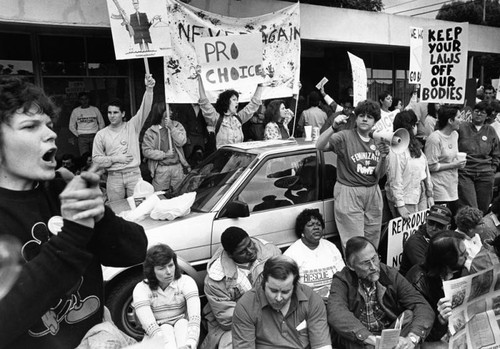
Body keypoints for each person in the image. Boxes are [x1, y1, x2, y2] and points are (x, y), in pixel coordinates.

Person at [0, 77, 148, 349]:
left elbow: (135, 251)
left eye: (48, 124)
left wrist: (99, 215)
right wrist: (73, 236)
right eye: (31, 126)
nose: (51, 133)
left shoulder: (61, 188)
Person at [327, 237, 434, 349]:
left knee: (410, 316)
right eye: (366, 263)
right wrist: (371, 339)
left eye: (374, 258)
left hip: (387, 334)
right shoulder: (342, 280)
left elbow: (421, 305)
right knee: (348, 336)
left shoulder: (389, 273)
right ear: (350, 266)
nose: (373, 267)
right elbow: (336, 313)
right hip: (362, 338)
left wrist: (412, 339)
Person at [316, 100, 390, 249]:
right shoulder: (344, 136)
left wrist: (383, 157)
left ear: (375, 121)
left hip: (372, 192)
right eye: (361, 115)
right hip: (349, 191)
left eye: (369, 117)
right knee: (355, 243)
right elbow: (319, 145)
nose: (364, 119)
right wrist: (333, 127)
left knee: (372, 240)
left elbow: (378, 175)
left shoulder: (378, 139)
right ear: (356, 118)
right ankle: (355, 271)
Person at [201, 227, 281, 349]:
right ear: (230, 255)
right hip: (235, 324)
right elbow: (228, 319)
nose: (250, 251)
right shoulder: (215, 279)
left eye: (250, 244)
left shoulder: (272, 253)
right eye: (242, 251)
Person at [232, 255, 332, 349]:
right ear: (263, 282)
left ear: (295, 286)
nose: (279, 298)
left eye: (285, 292)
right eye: (273, 290)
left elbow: (322, 345)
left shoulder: (311, 299)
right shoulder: (246, 306)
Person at [92, 73, 155, 202]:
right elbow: (96, 160)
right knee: (116, 211)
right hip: (114, 176)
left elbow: (145, 109)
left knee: (139, 210)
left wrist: (149, 89)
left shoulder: (132, 126)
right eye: (109, 112)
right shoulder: (101, 134)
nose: (112, 115)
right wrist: (117, 158)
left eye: (115, 112)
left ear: (123, 113)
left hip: (133, 175)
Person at [405, 231, 468, 344]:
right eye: (462, 254)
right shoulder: (418, 284)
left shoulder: (460, 270)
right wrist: (441, 321)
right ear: (448, 260)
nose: (467, 256)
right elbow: (424, 334)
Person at [133, 244, 200, 349]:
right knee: (165, 328)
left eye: (171, 265)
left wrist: (190, 344)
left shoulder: (186, 281)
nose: (168, 272)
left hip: (183, 326)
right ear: (151, 270)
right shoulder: (141, 289)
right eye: (161, 268)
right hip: (158, 330)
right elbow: (151, 327)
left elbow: (194, 319)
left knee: (182, 323)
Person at [283, 209, 344, 299]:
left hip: (335, 297)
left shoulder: (331, 247)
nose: (316, 227)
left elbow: (343, 276)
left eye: (319, 224)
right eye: (310, 225)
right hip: (308, 301)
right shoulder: (291, 254)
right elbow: (287, 287)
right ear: (302, 231)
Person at [385, 110, 434, 219]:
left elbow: (426, 172)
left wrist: (429, 195)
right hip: (406, 198)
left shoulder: (416, 146)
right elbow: (395, 179)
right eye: (415, 125)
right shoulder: (396, 150)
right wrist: (400, 205)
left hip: (421, 194)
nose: (417, 127)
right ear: (411, 126)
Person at [197, 74, 264, 149]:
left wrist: (260, 85)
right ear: (226, 102)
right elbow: (204, 102)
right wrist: (200, 80)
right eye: (234, 100)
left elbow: (253, 105)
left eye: (237, 100)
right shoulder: (216, 119)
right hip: (223, 159)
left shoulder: (238, 118)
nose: (237, 103)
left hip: (237, 158)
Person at [457, 101, 500, 214]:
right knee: (471, 207)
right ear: (472, 113)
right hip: (466, 173)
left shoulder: (491, 130)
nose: (479, 114)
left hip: (485, 174)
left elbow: (496, 153)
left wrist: (493, 168)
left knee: (483, 208)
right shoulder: (462, 127)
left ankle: (480, 231)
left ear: (487, 116)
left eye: (483, 112)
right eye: (476, 111)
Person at [425, 105, 465, 219]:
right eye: (459, 117)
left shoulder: (455, 134)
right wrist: (454, 165)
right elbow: (431, 166)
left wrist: (459, 162)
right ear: (450, 120)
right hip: (439, 189)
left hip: (452, 187)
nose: (461, 120)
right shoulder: (434, 138)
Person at [142, 102, 190, 192]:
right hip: (161, 169)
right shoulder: (151, 131)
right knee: (160, 196)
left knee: (179, 194)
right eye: (168, 110)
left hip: (177, 167)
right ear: (161, 112)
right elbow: (146, 151)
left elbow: (182, 141)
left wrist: (172, 127)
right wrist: (164, 154)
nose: (171, 112)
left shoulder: (177, 125)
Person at [399, 205, 453, 276]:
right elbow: (428, 270)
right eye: (431, 222)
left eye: (439, 225)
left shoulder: (449, 238)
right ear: (426, 221)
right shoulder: (415, 242)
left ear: (448, 228)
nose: (434, 228)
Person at [455, 205, 499, 273]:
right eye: (481, 223)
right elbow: (470, 267)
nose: (484, 224)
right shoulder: (459, 243)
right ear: (470, 228)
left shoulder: (475, 235)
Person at [69, 91, 105, 155]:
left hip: (94, 136)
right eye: (82, 99)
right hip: (82, 137)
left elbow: (102, 123)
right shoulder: (76, 111)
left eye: (86, 99)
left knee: (96, 155)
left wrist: (98, 133)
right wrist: (78, 134)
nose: (84, 101)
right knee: (84, 157)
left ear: (89, 99)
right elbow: (71, 126)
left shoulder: (95, 109)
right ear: (79, 100)